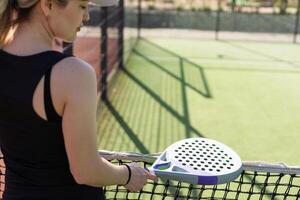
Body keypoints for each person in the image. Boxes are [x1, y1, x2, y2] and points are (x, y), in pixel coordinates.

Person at [0, 0, 157, 199]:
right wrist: (128, 174)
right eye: (82, 6)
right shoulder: (73, 74)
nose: (87, 16)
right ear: (48, 4)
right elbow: (86, 171)